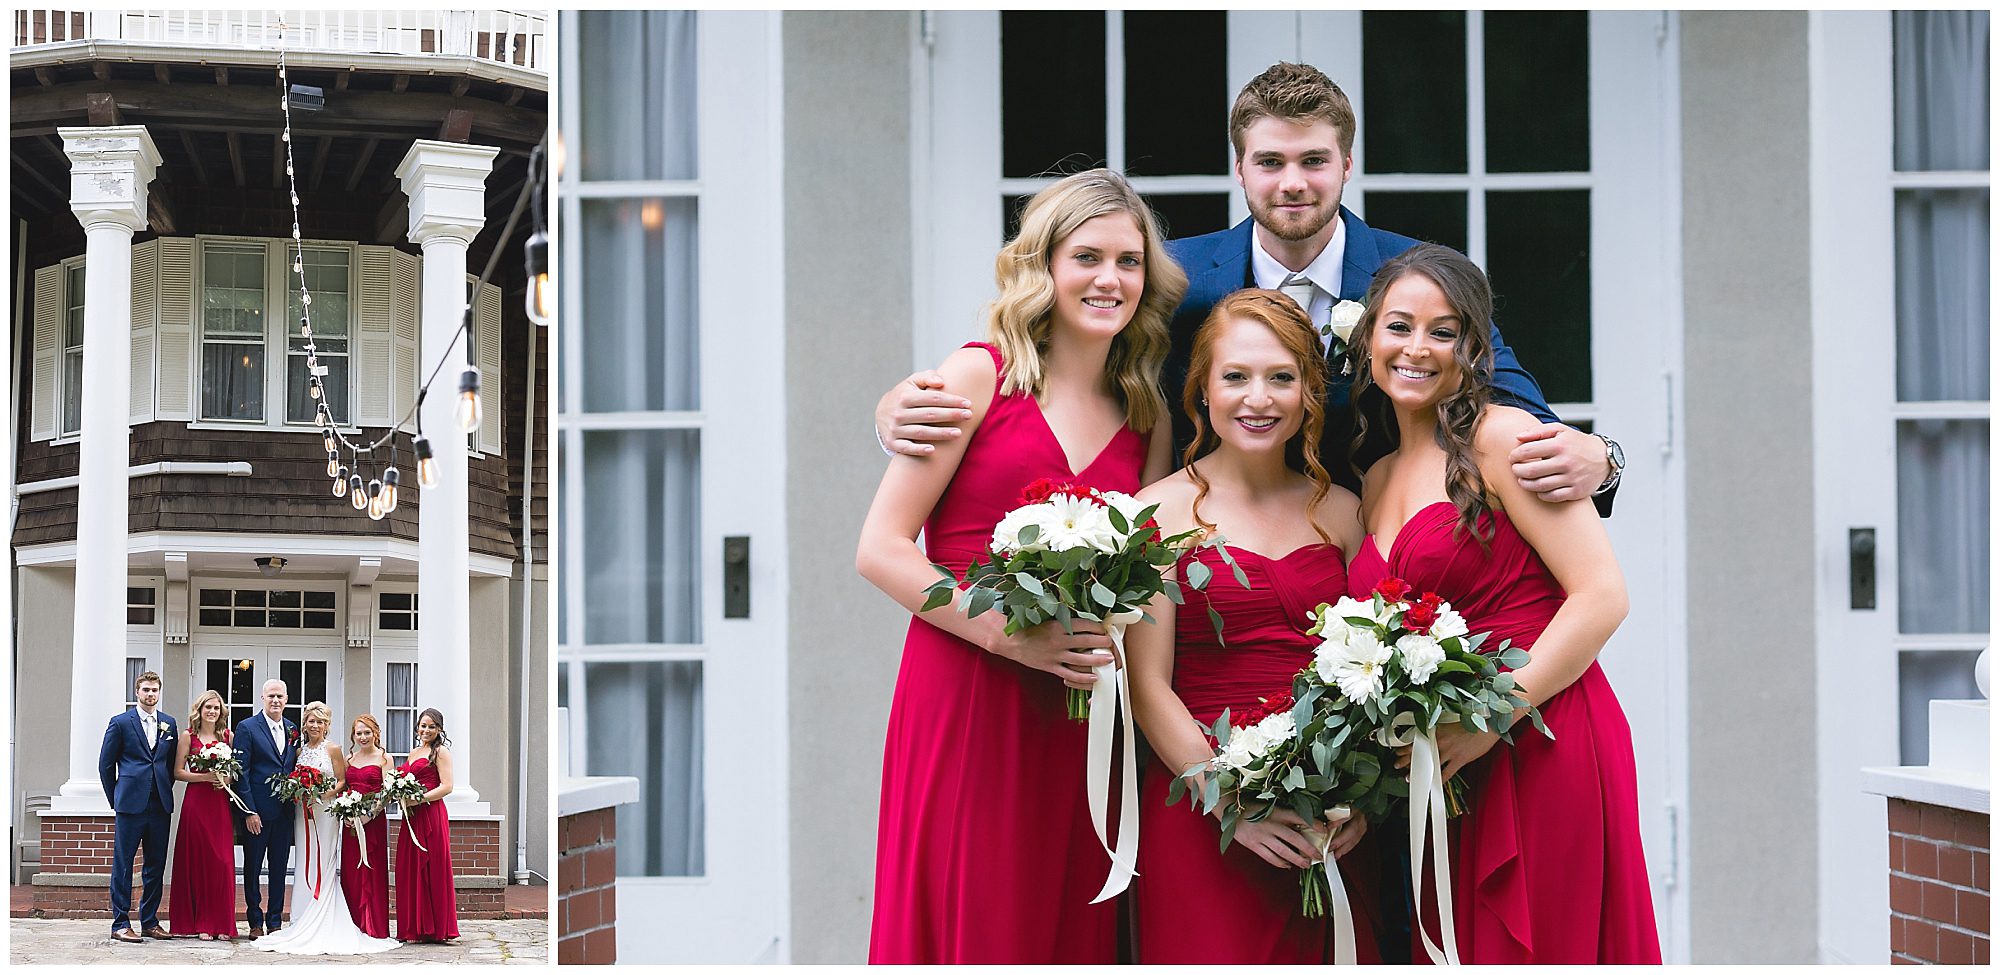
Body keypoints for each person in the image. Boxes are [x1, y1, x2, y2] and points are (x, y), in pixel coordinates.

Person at [873, 62, 1621, 515]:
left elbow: (1516, 406)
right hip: (1208, 585)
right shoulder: (1170, 278)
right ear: (1239, 170)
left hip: (1377, 570)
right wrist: (898, 410)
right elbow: (1054, 363)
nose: (1292, 182)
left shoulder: (1419, 275)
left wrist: (1604, 460)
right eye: (1269, 161)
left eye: (1313, 160)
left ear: (1347, 164)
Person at [856, 168, 1186, 963]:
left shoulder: (1148, 416)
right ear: (1044, 265)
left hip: (1080, 714)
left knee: (1061, 918)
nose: (1111, 279)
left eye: (1130, 261)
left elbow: (1149, 580)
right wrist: (1010, 635)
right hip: (967, 688)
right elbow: (881, 547)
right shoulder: (978, 374)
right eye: (1088, 257)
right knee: (974, 910)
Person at [1343, 244, 1658, 963]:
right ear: (1368, 340)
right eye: (1399, 327)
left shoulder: (1502, 438)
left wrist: (1493, 718)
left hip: (1542, 731)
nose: (1417, 348)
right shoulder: (1375, 475)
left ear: (1474, 347)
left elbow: (1603, 596)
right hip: (1447, 758)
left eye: (1443, 331)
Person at [1125, 291, 1382, 963]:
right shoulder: (1157, 511)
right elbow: (1148, 684)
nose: (1258, 397)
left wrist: (1361, 795)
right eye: (1235, 376)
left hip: (1329, 813)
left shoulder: (1347, 512)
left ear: (1308, 392)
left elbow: (1369, 669)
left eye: (1281, 377)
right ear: (1202, 390)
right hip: (1204, 810)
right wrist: (1228, 800)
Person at [254, 702, 398, 955]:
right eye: (311, 721)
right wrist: (301, 794)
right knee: (304, 860)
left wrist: (320, 796)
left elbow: (342, 782)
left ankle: (325, 913)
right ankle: (302, 915)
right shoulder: (298, 752)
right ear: (305, 724)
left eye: (320, 721)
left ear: (327, 725)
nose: (315, 725)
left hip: (326, 812)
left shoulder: (333, 749)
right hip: (303, 812)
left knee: (324, 860)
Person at [97, 670, 177, 943]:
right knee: (123, 864)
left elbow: (168, 765)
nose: (150, 694)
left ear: (159, 692)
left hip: (160, 805)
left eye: (154, 690)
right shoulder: (120, 723)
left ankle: (150, 921)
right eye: (146, 690)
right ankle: (120, 923)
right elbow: (106, 766)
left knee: (155, 865)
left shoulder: (169, 723)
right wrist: (116, 798)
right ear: (137, 692)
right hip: (129, 804)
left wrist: (163, 790)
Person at [167, 690, 238, 940]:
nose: (212, 711)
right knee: (198, 861)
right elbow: (177, 772)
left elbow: (233, 772)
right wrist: (204, 777)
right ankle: (202, 923)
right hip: (196, 802)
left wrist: (225, 778)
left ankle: (222, 923)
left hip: (218, 802)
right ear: (200, 709)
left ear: (221, 712)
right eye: (208, 707)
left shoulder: (227, 736)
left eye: (216, 708)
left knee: (221, 862)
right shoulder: (188, 736)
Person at [233, 678, 297, 937]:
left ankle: (275, 921)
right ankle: (255, 921)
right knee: (253, 868)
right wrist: (249, 811)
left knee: (280, 869)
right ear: (262, 698)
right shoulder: (247, 727)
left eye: (280, 696)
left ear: (286, 699)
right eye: (271, 696)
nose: (275, 700)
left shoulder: (293, 729)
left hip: (284, 812)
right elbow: (242, 773)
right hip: (257, 811)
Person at [396, 707, 459, 943]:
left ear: (439, 729)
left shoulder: (441, 752)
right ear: (417, 727)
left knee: (433, 866)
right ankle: (414, 927)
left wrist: (418, 799)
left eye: (432, 726)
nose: (426, 730)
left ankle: (437, 928)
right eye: (423, 725)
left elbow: (447, 786)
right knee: (410, 867)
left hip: (431, 814)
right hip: (412, 816)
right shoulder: (413, 753)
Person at [341, 714, 392, 939]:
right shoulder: (349, 758)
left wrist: (369, 815)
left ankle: (374, 926)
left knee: (373, 869)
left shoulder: (384, 758)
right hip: (351, 822)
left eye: (367, 732)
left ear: (375, 733)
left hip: (373, 823)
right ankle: (353, 924)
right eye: (358, 733)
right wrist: (345, 814)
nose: (363, 737)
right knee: (352, 872)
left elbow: (387, 793)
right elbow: (343, 788)